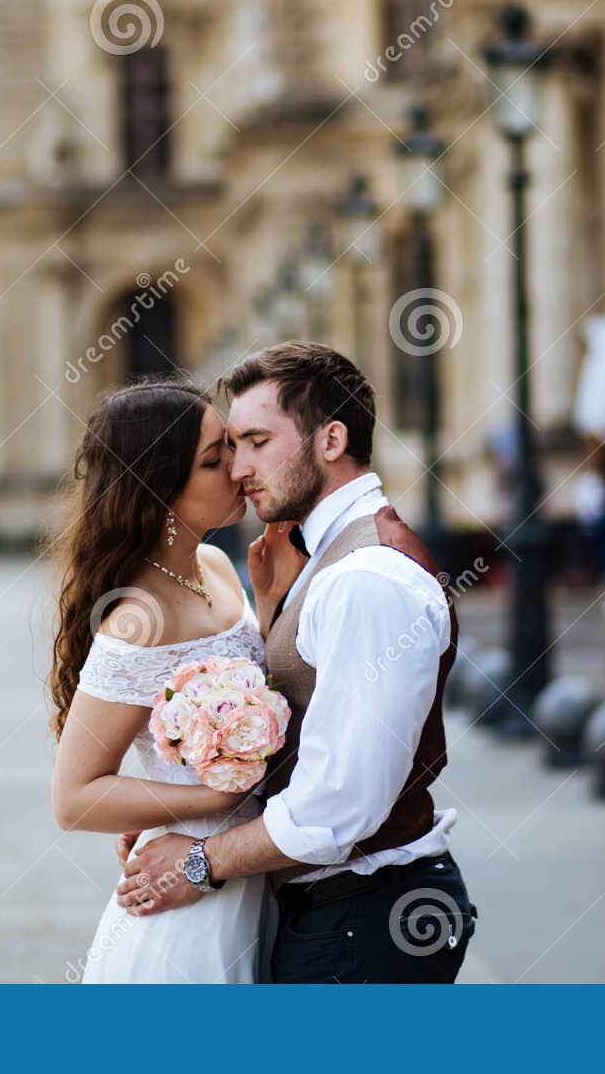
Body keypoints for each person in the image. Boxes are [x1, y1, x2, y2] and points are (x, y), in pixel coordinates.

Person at [116, 342, 477, 983]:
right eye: (231, 446)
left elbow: (338, 806)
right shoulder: (322, 559)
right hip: (339, 913)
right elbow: (301, 719)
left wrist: (198, 860)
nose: (237, 468)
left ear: (331, 439)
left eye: (257, 441)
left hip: (363, 919)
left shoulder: (364, 579)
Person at [48, 379, 295, 982]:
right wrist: (213, 799)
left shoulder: (215, 565)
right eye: (214, 460)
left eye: (232, 448)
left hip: (263, 864)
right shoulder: (136, 618)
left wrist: (268, 604)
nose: (238, 469)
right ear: (157, 485)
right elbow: (74, 798)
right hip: (191, 889)